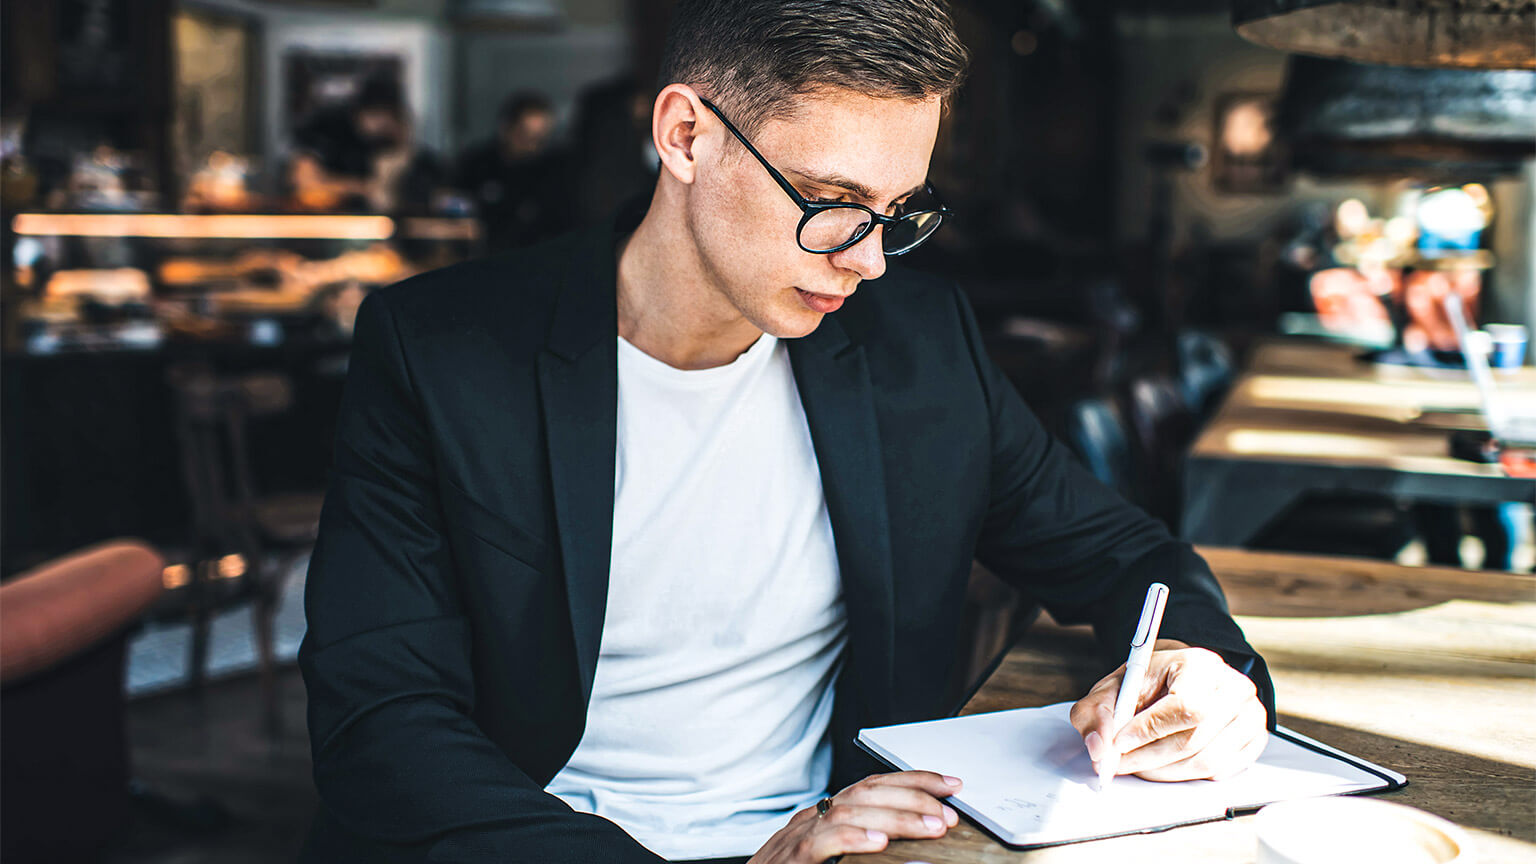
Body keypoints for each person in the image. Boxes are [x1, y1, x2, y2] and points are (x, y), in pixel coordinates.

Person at [298, 0, 1274, 861]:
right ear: (685, 136)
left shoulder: (919, 346)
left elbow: (1119, 550)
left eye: (898, 212)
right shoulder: (444, 351)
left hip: (843, 845)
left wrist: (1204, 669)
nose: (870, 262)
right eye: (834, 202)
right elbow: (382, 722)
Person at [288, 76, 443, 214]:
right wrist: (363, 188)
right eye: (374, 116)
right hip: (333, 225)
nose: (379, 127)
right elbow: (307, 184)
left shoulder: (418, 161)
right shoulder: (333, 137)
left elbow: (389, 199)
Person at [454, 91, 573, 250]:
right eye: (525, 135)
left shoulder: (553, 170)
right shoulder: (476, 164)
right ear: (505, 128)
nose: (533, 145)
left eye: (541, 138)